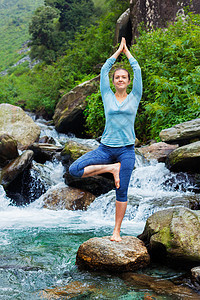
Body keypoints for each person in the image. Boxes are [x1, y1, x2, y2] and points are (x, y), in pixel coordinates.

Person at [69, 37, 142, 242]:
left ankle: (116, 231)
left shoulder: (135, 96)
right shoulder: (107, 95)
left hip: (126, 150)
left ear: (128, 82)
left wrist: (127, 53)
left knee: (122, 191)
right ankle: (112, 169)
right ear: (113, 81)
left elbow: (138, 70)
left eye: (123, 77)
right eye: (117, 77)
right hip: (105, 149)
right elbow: (103, 70)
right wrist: (117, 52)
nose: (120, 79)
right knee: (74, 170)